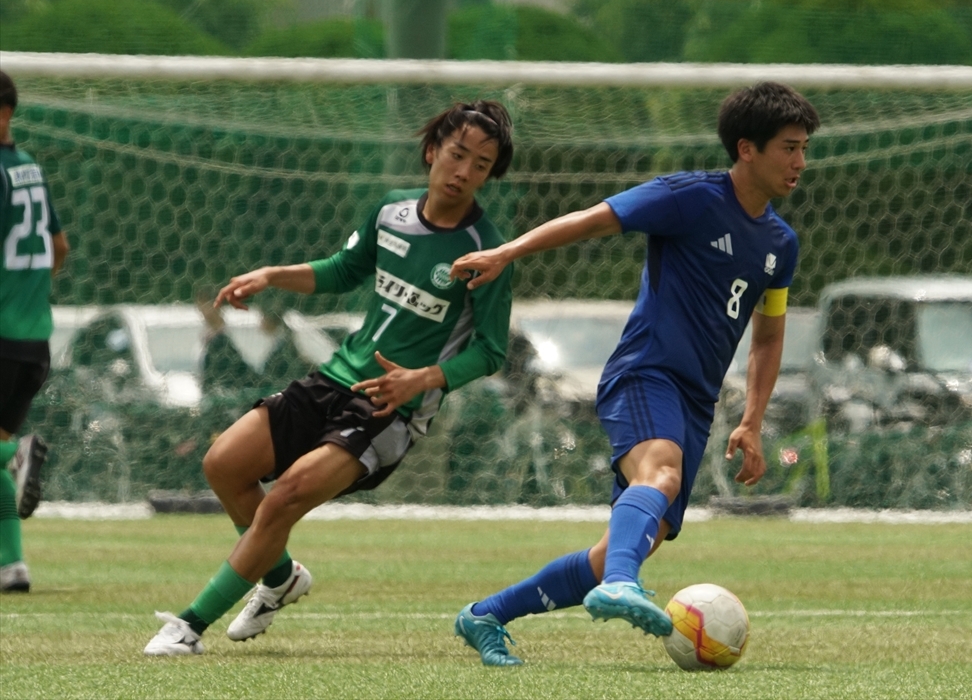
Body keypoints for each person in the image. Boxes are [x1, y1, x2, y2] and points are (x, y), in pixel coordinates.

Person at [449, 81, 819, 666]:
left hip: (696, 403)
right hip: (646, 373)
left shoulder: (781, 243)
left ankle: (486, 614)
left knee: (619, 549)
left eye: (804, 149)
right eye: (789, 148)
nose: (800, 162)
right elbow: (591, 220)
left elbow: (768, 336)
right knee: (661, 474)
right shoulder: (689, 197)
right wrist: (506, 253)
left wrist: (751, 420)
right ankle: (622, 585)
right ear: (746, 149)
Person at [143, 100, 515, 655]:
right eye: (457, 154)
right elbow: (343, 270)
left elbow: (489, 351)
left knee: (284, 498)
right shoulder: (391, 212)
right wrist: (271, 275)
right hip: (334, 378)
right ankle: (280, 577)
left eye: (480, 165)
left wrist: (423, 379)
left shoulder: (486, 250)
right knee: (224, 463)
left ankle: (189, 628)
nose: (463, 171)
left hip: (389, 408)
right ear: (432, 151)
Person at [0, 69, 69, 593]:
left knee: (2, 452)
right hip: (34, 337)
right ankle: (12, 566)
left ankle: (16, 456)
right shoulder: (29, 168)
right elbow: (59, 248)